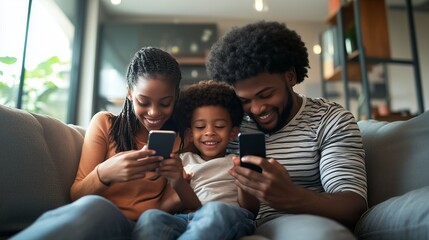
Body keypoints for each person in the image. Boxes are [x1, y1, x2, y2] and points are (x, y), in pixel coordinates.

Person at [205, 21, 367, 240]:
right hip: (236, 225)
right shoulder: (230, 126)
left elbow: (352, 206)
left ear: (290, 76)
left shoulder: (329, 119)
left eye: (266, 94)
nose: (257, 109)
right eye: (244, 100)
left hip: (304, 225)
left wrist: (289, 196)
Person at [11, 47, 191, 239]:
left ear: (176, 96)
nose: (154, 112)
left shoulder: (182, 139)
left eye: (165, 103)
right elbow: (77, 196)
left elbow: (185, 204)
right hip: (103, 220)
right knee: (97, 207)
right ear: (129, 93)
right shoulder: (105, 124)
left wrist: (178, 186)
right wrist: (105, 173)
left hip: (148, 226)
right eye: (143, 102)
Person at [134, 80, 259, 240]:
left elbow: (252, 210)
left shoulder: (237, 162)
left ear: (233, 133)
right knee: (151, 217)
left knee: (214, 210)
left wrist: (244, 181)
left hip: (228, 216)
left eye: (219, 126)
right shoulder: (182, 160)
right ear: (191, 134)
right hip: (189, 218)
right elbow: (181, 206)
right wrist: (179, 182)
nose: (209, 132)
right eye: (200, 127)